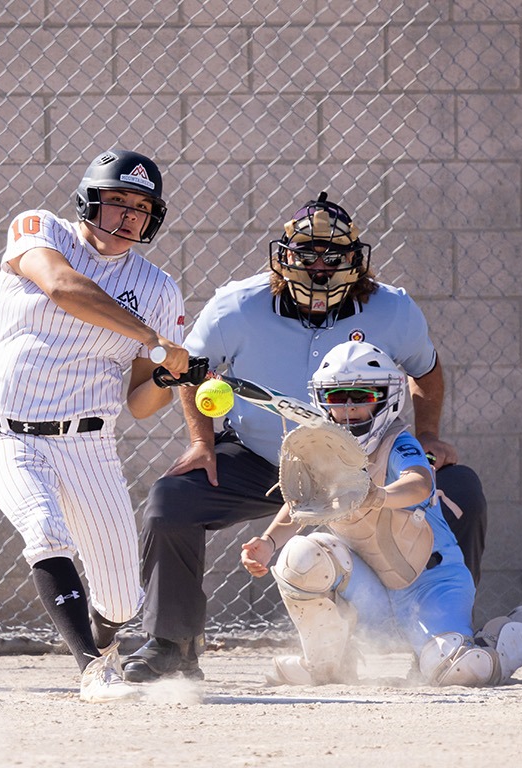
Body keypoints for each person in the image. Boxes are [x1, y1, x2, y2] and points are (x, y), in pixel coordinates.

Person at [123, 192, 487, 683]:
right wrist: (201, 444)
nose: (319, 268)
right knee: (172, 502)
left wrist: (429, 436)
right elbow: (191, 370)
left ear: (356, 262)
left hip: (363, 462)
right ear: (283, 258)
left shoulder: (392, 309)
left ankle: (447, 636)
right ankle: (171, 644)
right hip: (258, 456)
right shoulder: (237, 306)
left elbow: (427, 370)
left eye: (332, 256)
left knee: (460, 489)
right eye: (307, 256)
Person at [0, 149, 192, 702]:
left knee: (121, 602)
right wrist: (152, 339)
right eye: (116, 200)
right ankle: (94, 669)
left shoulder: (158, 288)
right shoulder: (39, 228)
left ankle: (104, 641)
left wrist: (172, 376)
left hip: (89, 443)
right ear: (90, 199)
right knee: (44, 531)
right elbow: (62, 286)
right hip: (10, 432)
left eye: (141, 208)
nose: (127, 216)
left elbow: (139, 402)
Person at [239, 341, 522, 687]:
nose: (349, 409)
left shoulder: (397, 442)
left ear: (386, 398)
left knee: (460, 670)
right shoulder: (324, 452)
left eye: (363, 396)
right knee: (299, 558)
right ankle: (327, 666)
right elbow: (301, 506)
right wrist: (267, 542)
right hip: (369, 589)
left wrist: (376, 495)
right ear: (324, 402)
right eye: (338, 398)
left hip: (429, 584)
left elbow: (420, 482)